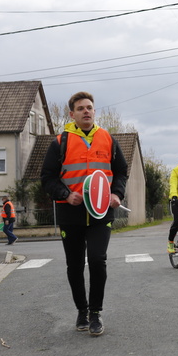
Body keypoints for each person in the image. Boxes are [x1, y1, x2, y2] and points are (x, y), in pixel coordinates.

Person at [41, 91, 128, 337]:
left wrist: (117, 194)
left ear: (94, 111)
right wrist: (66, 194)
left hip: (101, 214)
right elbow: (47, 178)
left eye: (89, 107)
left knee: (98, 261)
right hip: (71, 213)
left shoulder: (108, 139)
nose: (86, 111)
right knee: (75, 265)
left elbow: (121, 171)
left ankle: (96, 314)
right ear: (72, 114)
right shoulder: (60, 142)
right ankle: (82, 309)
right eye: (80, 108)